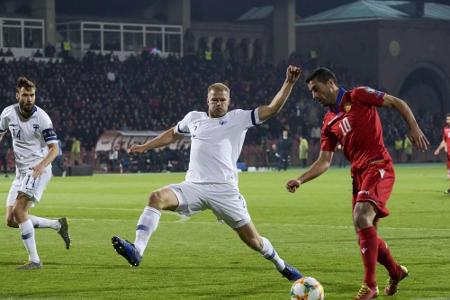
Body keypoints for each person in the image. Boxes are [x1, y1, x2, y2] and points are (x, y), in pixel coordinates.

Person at [112, 65, 303, 282]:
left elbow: (271, 109)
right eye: (215, 100)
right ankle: (137, 250)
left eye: (222, 100)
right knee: (156, 197)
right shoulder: (194, 118)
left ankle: (281, 264)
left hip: (225, 191)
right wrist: (145, 146)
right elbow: (172, 134)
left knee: (254, 242)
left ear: (228, 101)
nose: (219, 103)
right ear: (208, 100)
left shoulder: (238, 118)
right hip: (193, 187)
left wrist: (289, 83)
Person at [285, 67, 429, 299]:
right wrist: (300, 179)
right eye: (311, 92)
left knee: (361, 217)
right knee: (365, 231)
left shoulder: (358, 95)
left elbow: (395, 102)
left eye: (316, 89)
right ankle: (395, 272)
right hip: (358, 175)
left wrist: (413, 126)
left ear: (330, 83)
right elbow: (324, 161)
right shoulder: (328, 121)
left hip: (378, 165)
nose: (314, 96)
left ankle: (370, 286)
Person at [0, 76, 71, 270]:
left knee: (19, 211)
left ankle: (35, 260)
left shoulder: (42, 118)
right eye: (25, 95)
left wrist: (41, 166)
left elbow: (54, 149)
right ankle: (57, 225)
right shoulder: (7, 114)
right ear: (18, 95)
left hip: (38, 170)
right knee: (11, 220)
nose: (30, 99)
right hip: (21, 173)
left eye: (32, 95)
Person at [433, 113, 450, 193]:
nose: (448, 121)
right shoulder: (446, 129)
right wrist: (438, 149)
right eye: (447, 119)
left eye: (449, 119)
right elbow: (444, 141)